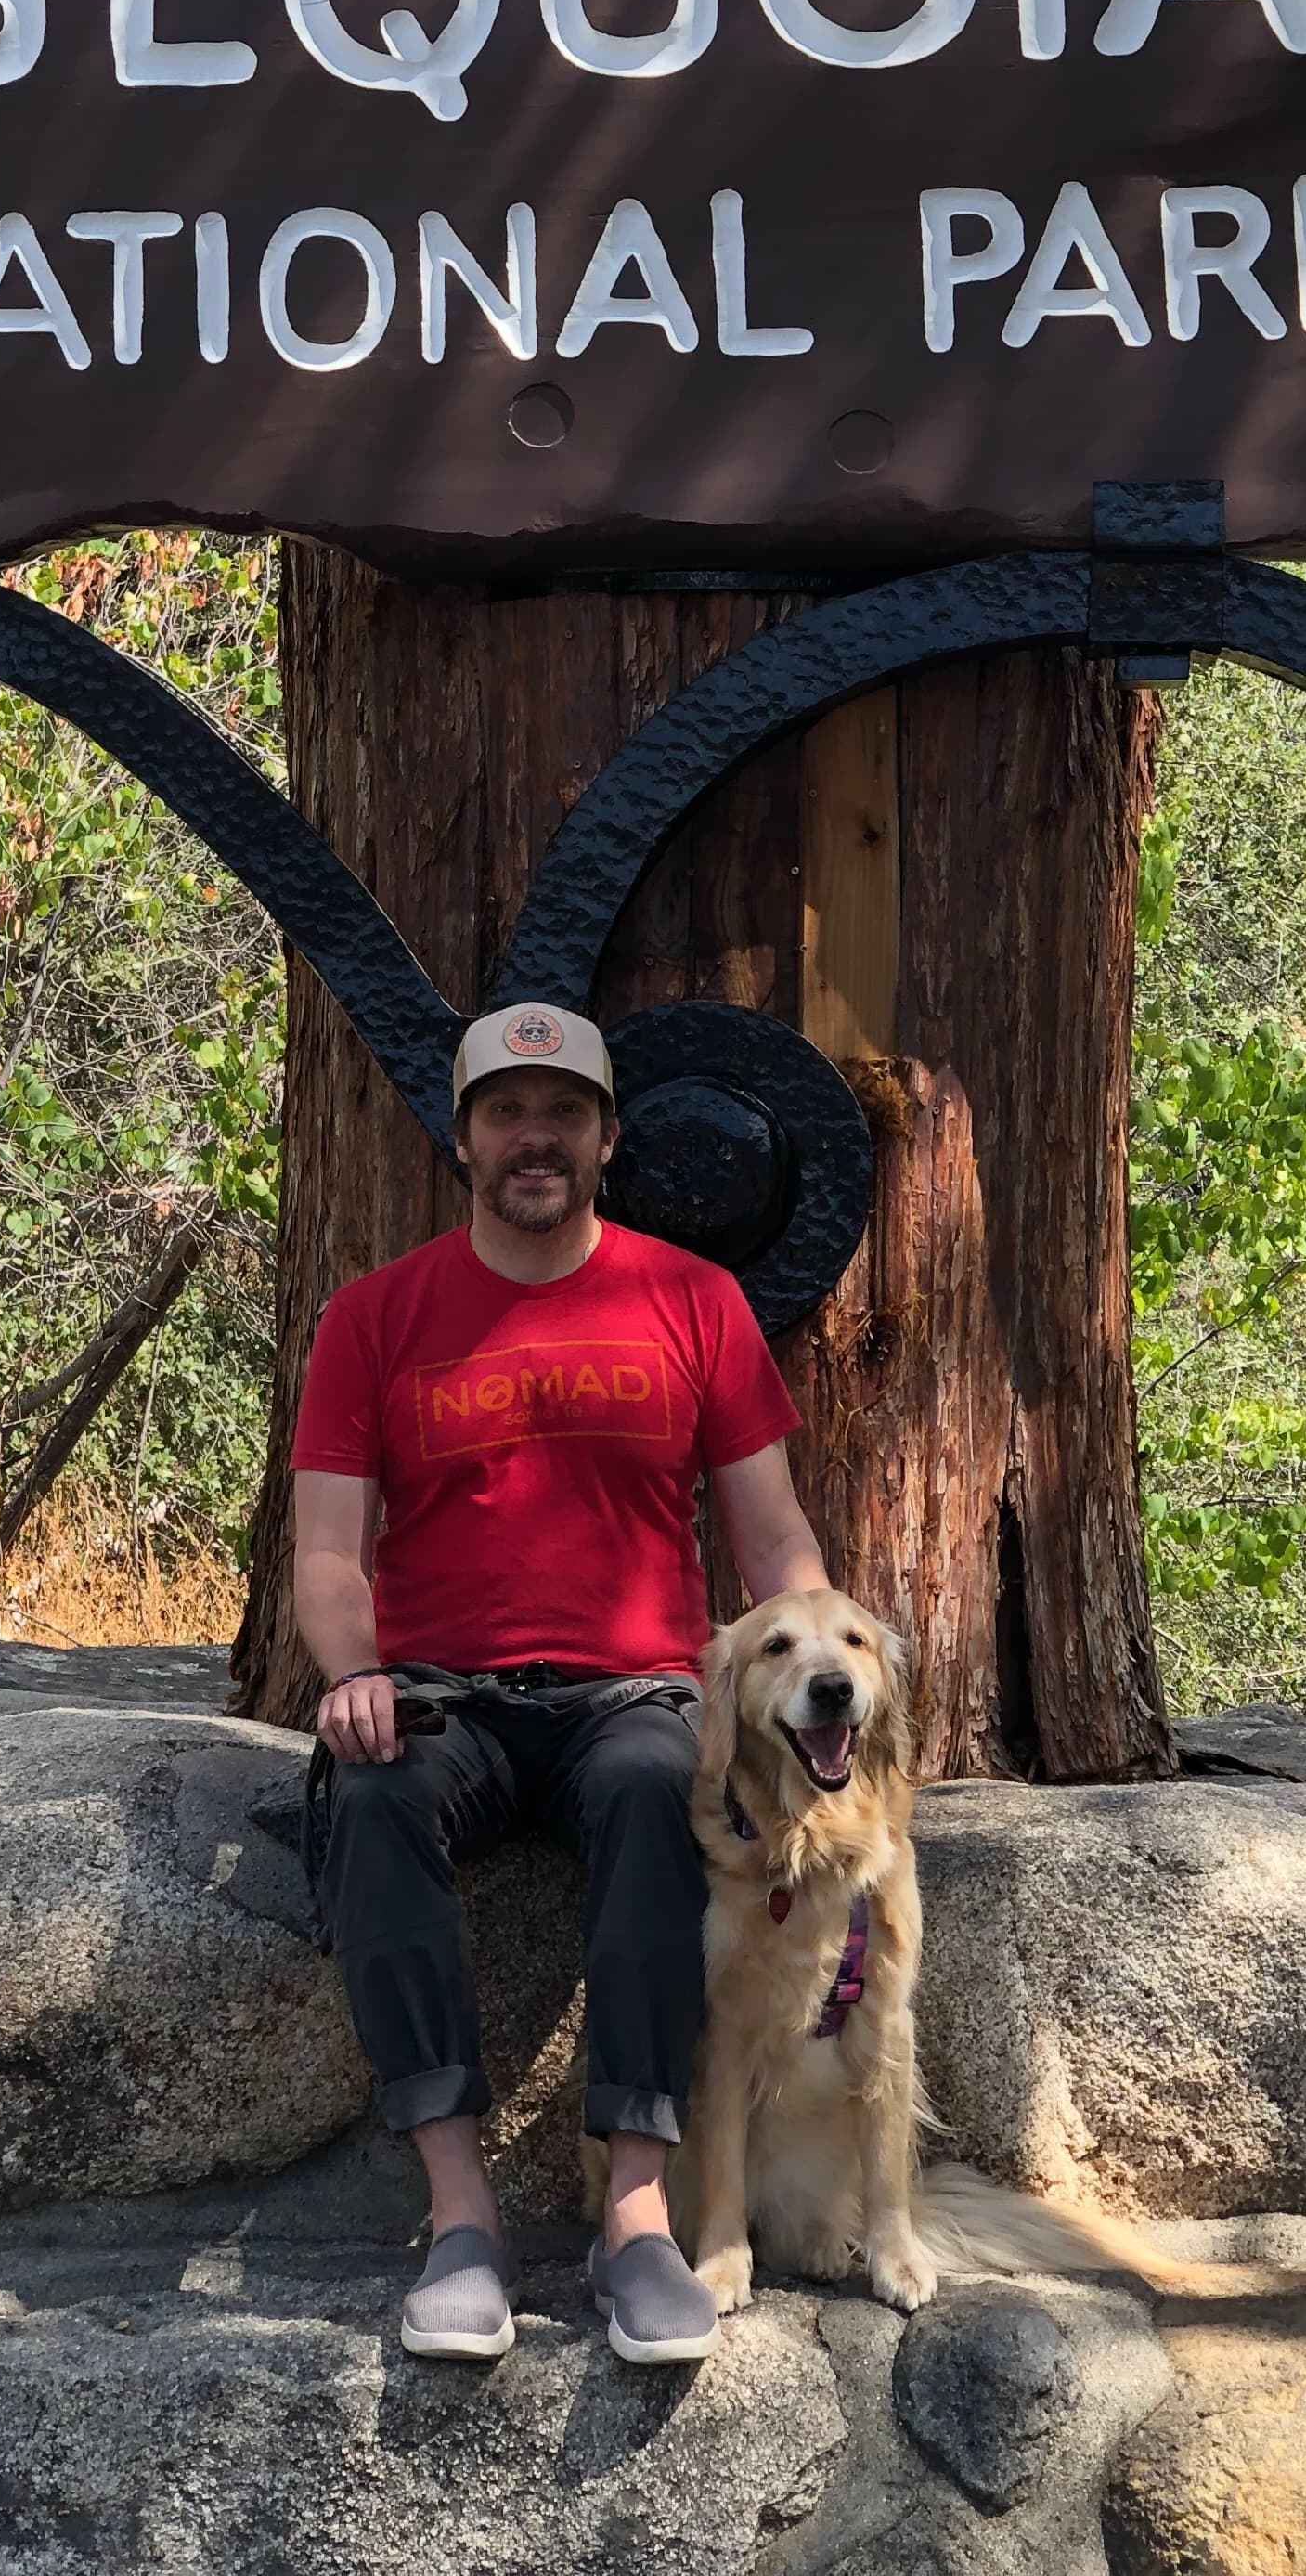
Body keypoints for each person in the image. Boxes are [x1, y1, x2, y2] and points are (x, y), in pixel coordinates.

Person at [291, 998, 832, 2368]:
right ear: (466, 1140)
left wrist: (807, 1693)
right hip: (441, 1693)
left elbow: (773, 1542)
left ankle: (636, 2219)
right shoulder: (376, 1317)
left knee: (665, 1788)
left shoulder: (691, 1302)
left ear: (604, 1140)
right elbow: (327, 1550)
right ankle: (462, 2220)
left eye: (564, 1116)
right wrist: (352, 1675)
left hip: (631, 1692)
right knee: (373, 1792)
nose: (536, 1139)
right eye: (507, 1116)